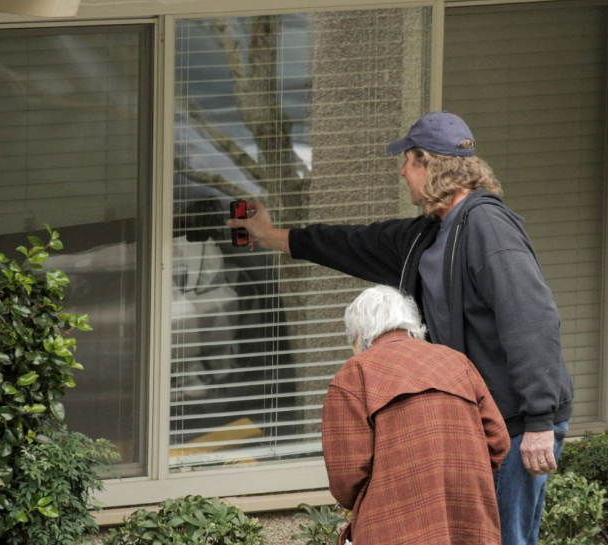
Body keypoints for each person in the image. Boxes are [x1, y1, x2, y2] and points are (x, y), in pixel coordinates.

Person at [227, 111, 574, 545]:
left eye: (408, 161)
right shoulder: (430, 234)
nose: (401, 171)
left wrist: (540, 420)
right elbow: (354, 244)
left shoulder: (487, 226)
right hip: (479, 422)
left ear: (430, 164)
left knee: (506, 539)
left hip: (517, 421)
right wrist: (270, 235)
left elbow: (532, 317)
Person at [323, 285, 510, 545]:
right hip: (468, 523)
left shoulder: (353, 376)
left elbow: (346, 478)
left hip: (393, 528)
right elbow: (498, 441)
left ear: (359, 335)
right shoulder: (457, 363)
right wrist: (460, 468)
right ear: (410, 324)